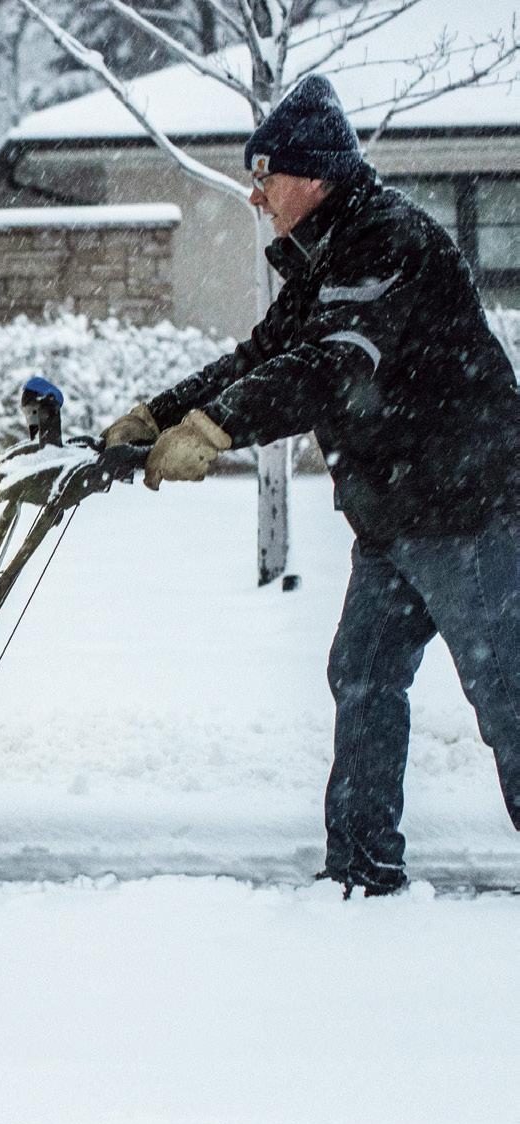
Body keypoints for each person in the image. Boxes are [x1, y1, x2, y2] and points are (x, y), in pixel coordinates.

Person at [101, 74, 520, 897]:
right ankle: (361, 869)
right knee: (361, 675)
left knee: (505, 693)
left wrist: (216, 430)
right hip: (394, 518)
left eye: (265, 176)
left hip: (465, 511)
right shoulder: (330, 256)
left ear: (315, 174)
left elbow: (332, 367)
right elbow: (265, 356)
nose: (254, 196)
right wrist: (159, 414)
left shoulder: (385, 242)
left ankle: (364, 863)